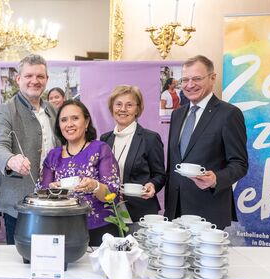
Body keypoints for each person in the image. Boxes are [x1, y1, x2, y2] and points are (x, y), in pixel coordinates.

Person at [165, 55, 248, 230]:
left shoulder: (229, 114)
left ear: (212, 78)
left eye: (197, 78)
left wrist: (216, 178)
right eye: (185, 79)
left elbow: (240, 164)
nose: (190, 84)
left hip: (208, 211)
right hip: (175, 211)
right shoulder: (177, 114)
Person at [0, 54, 60, 245]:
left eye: (40, 76)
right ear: (18, 79)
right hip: (18, 205)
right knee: (21, 262)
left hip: (53, 201)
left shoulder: (54, 111)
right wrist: (11, 160)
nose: (34, 81)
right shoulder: (6, 110)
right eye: (29, 76)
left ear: (46, 80)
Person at [39, 100, 121, 246]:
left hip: (100, 230)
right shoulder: (53, 156)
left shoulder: (100, 149)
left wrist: (95, 186)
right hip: (61, 230)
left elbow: (113, 196)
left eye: (75, 118)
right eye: (64, 120)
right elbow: (42, 195)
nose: (69, 124)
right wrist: (52, 192)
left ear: (87, 121)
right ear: (59, 125)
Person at [100, 85, 166, 222]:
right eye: (118, 104)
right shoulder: (104, 139)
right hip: (109, 210)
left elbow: (160, 175)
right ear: (112, 108)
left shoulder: (150, 138)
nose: (123, 109)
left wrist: (152, 185)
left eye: (129, 105)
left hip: (141, 210)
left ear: (137, 109)